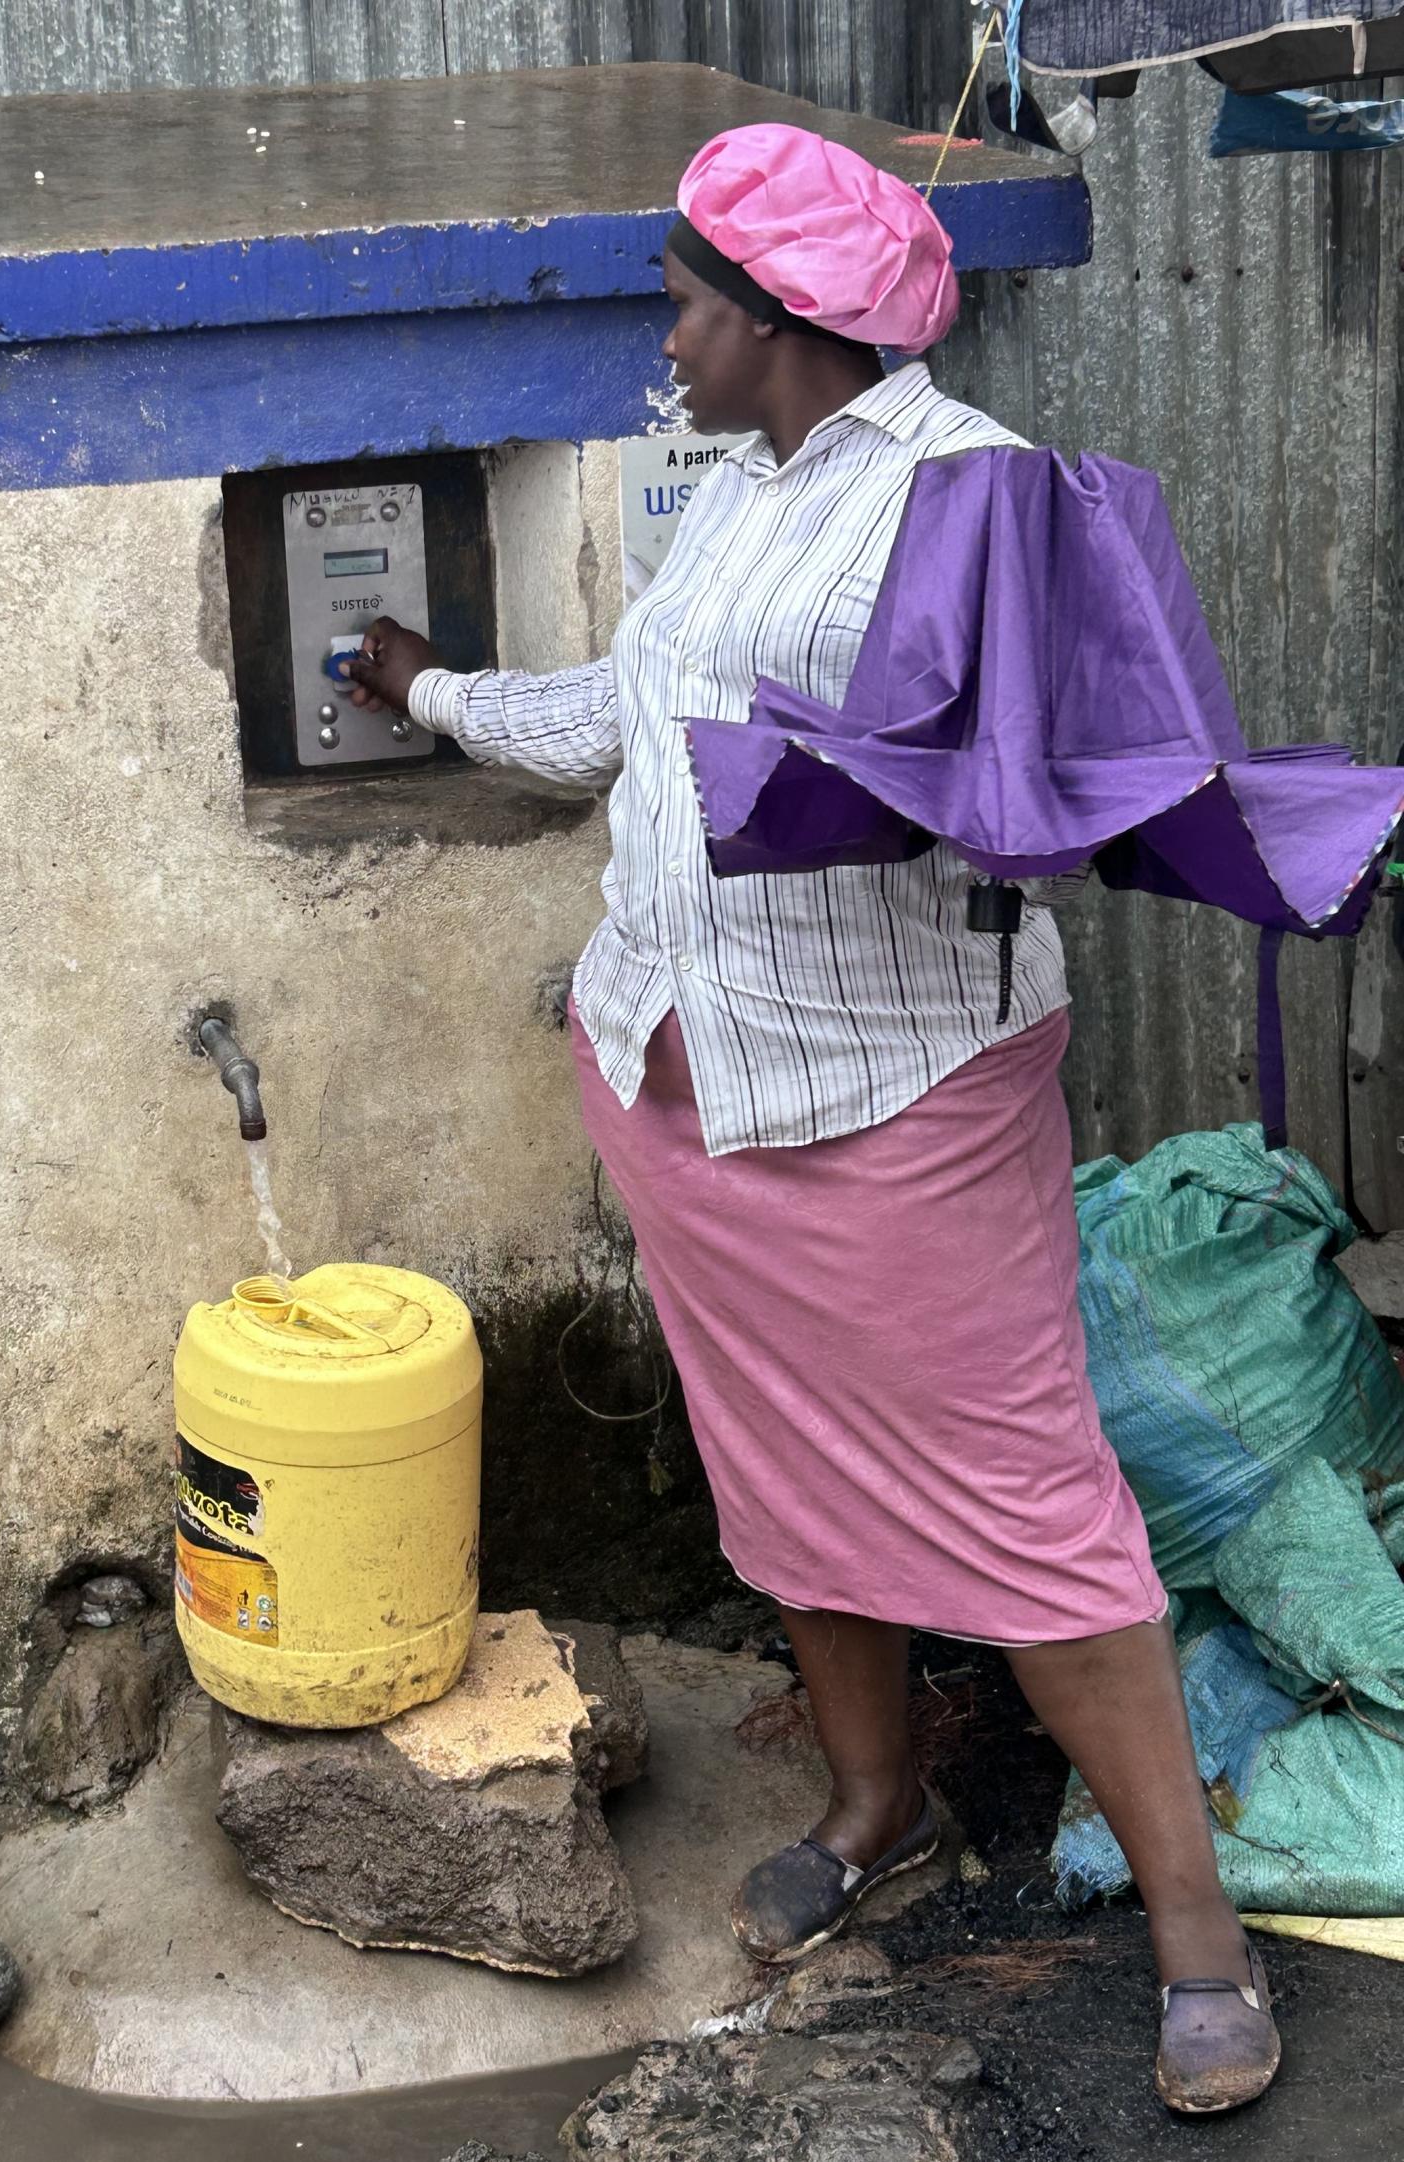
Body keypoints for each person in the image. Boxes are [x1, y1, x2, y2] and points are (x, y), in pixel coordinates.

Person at [346, 122, 1279, 2117]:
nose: (663, 339)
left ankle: (1198, 1938)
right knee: (781, 1466)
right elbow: (623, 708)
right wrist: (434, 696)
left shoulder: (982, 499)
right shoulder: (740, 502)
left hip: (894, 1098)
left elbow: (1061, 780)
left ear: (786, 321)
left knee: (1028, 1503)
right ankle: (872, 1795)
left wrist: (906, 775)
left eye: (685, 306)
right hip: (679, 1071)